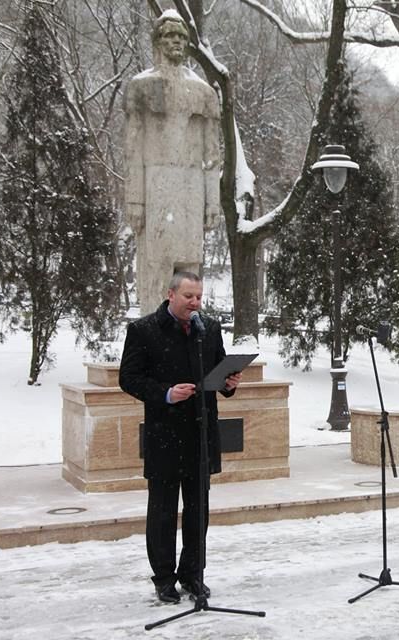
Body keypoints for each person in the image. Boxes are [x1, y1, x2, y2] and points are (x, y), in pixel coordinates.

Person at [119, 271, 243, 604]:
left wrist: (229, 384)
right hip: (165, 433)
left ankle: (193, 574)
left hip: (201, 434)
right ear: (171, 294)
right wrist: (166, 393)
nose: (195, 303)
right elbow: (128, 378)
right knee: (162, 511)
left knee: (197, 511)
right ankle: (164, 578)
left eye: (199, 297)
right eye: (189, 296)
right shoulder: (144, 330)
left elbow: (218, 370)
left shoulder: (209, 329)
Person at [124, 11, 221, 313]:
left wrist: (212, 202)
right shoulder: (142, 88)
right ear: (158, 41)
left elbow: (212, 156)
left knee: (190, 265)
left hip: (191, 188)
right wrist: (135, 199)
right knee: (157, 265)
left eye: (181, 36)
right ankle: (155, 331)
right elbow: (133, 150)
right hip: (156, 186)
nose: (176, 41)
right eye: (169, 36)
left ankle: (188, 332)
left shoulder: (203, 93)